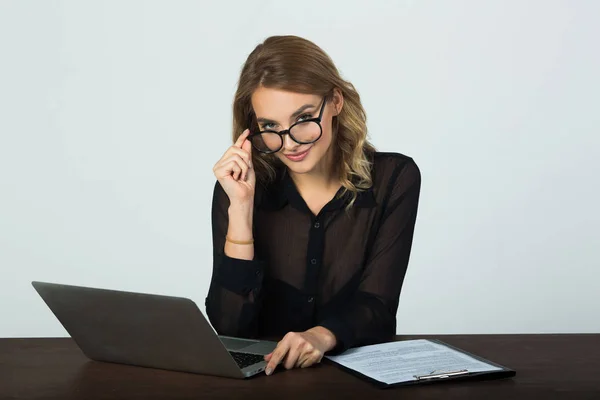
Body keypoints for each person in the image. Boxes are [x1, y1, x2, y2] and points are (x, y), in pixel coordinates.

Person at [206, 35, 421, 376]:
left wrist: (322, 337)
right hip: (264, 380)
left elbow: (378, 307)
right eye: (270, 127)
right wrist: (241, 211)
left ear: (335, 101)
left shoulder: (394, 178)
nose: (289, 143)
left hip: (354, 382)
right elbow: (229, 328)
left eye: (304, 118)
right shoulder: (239, 188)